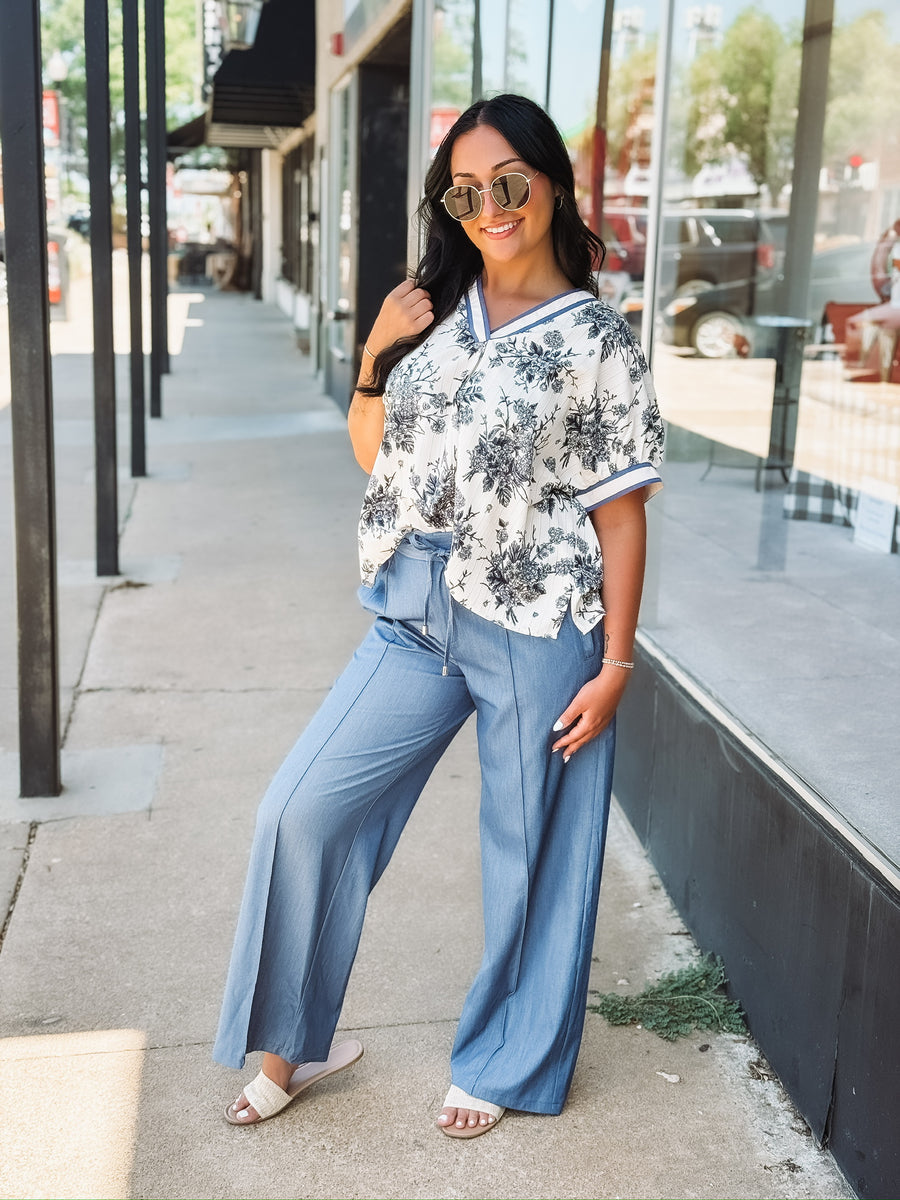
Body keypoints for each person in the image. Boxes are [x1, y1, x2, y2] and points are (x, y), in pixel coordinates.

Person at [214, 93, 665, 1139]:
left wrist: (618, 662)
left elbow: (623, 514)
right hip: (412, 615)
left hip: (538, 623)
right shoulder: (428, 306)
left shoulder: (596, 334)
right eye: (465, 191)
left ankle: (506, 1055)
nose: (490, 207)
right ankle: (298, 1039)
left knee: (531, 854)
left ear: (551, 183)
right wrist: (376, 350)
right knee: (300, 809)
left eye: (509, 182)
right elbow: (378, 456)